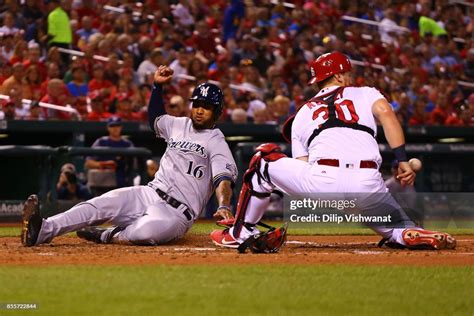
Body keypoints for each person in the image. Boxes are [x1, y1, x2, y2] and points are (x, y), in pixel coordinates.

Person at [211, 52, 456, 251]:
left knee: (263, 160)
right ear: (339, 75)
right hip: (367, 183)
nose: (349, 77)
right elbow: (387, 114)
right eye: (347, 73)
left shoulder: (304, 112)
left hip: (323, 182)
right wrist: (402, 159)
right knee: (396, 230)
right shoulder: (366, 92)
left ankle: (240, 231)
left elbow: (303, 166)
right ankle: (407, 231)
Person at [21, 65, 237, 247]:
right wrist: (157, 87)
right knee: (98, 204)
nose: (199, 110)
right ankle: (42, 229)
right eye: (196, 104)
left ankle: (108, 234)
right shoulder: (178, 124)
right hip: (148, 193)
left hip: (177, 213)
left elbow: (223, 179)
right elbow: (155, 119)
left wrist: (224, 205)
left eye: (206, 107)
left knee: (145, 232)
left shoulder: (216, 141)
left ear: (216, 112)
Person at [85, 116, 134, 191]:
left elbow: (135, 164)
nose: (115, 128)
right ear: (108, 128)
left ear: (121, 127)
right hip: (103, 182)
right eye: (112, 126)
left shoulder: (127, 144)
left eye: (117, 125)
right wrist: (103, 164)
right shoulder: (101, 142)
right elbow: (88, 163)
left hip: (122, 181)